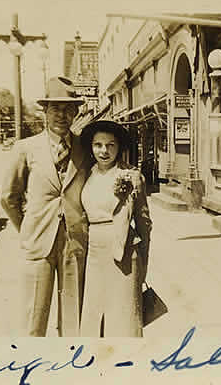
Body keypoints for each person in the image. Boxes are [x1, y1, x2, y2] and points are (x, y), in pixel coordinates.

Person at [0, 76, 91, 337]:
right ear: (46, 112)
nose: (62, 115)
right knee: (33, 319)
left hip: (75, 241)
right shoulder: (25, 149)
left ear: (76, 112)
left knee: (73, 318)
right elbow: (9, 197)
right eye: (56, 109)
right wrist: (27, 227)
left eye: (68, 109)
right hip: (38, 241)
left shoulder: (84, 148)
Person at [78, 119, 152, 337]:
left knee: (124, 314)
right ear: (91, 147)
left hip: (125, 251)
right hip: (92, 251)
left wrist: (144, 261)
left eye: (111, 145)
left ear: (119, 147)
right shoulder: (85, 175)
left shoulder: (131, 176)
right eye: (98, 144)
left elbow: (144, 222)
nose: (104, 151)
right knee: (94, 312)